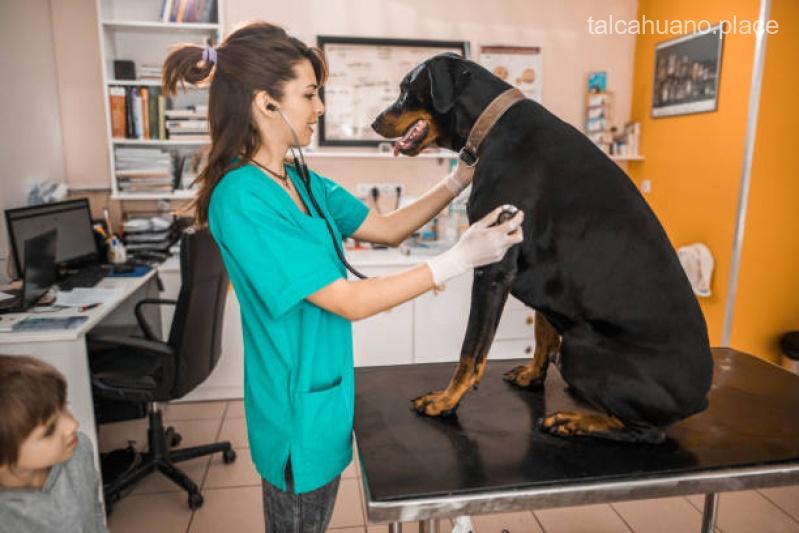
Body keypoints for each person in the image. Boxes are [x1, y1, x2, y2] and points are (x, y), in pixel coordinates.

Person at [162, 21, 523, 532]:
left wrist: (458, 178)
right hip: (294, 415)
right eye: (309, 95)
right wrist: (458, 260)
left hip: (326, 397)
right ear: (267, 104)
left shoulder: (300, 179)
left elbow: (389, 227)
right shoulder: (241, 198)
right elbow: (348, 301)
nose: (320, 107)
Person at [0, 355, 107, 533]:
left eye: (65, 406)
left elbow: (94, 511)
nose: (73, 425)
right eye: (49, 430)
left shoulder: (79, 451)